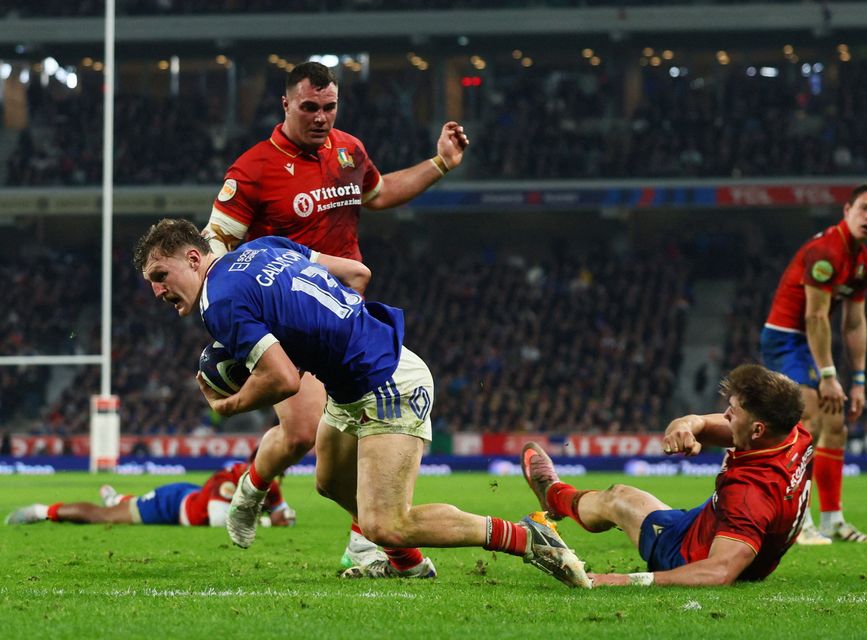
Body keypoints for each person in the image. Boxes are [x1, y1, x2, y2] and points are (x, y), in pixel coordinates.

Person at [132, 219, 591, 588]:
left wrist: (227, 406)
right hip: (355, 377)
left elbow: (284, 379)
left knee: (386, 524)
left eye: (160, 276)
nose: (157, 291)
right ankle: (408, 566)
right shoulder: (262, 247)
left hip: (385, 382)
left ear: (193, 258)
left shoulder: (220, 304)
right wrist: (334, 331)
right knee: (330, 481)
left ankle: (527, 538)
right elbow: (356, 274)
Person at [202, 61, 469, 572]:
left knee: (346, 453)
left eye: (329, 107)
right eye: (309, 107)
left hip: (342, 312)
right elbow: (214, 241)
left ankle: (368, 543)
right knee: (301, 433)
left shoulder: (349, 150)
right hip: (285, 322)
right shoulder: (252, 170)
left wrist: (439, 164)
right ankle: (250, 492)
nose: (321, 118)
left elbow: (380, 193)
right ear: (286, 105)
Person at [521, 364, 811, 587]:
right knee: (626, 496)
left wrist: (624, 580)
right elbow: (705, 424)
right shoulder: (792, 434)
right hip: (710, 521)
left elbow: (719, 571)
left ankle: (554, 496)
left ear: (758, 429)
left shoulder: (749, 494)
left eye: (732, 412)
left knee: (618, 498)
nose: (724, 415)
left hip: (686, 551)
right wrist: (685, 425)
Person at [760, 183, 867, 545]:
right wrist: (830, 376)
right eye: (865, 208)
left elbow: (853, 323)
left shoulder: (862, 263)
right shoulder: (825, 252)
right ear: (847, 209)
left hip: (810, 343)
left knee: (836, 424)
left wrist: (859, 380)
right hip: (785, 338)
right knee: (811, 418)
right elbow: (816, 317)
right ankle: (797, 523)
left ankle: (833, 520)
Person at [4, 461, 294, 528]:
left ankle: (117, 497)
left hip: (192, 496)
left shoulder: (270, 480)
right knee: (105, 517)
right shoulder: (230, 478)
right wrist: (269, 523)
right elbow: (218, 519)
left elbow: (285, 513)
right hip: (172, 505)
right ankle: (42, 511)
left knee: (129, 505)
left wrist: (285, 516)